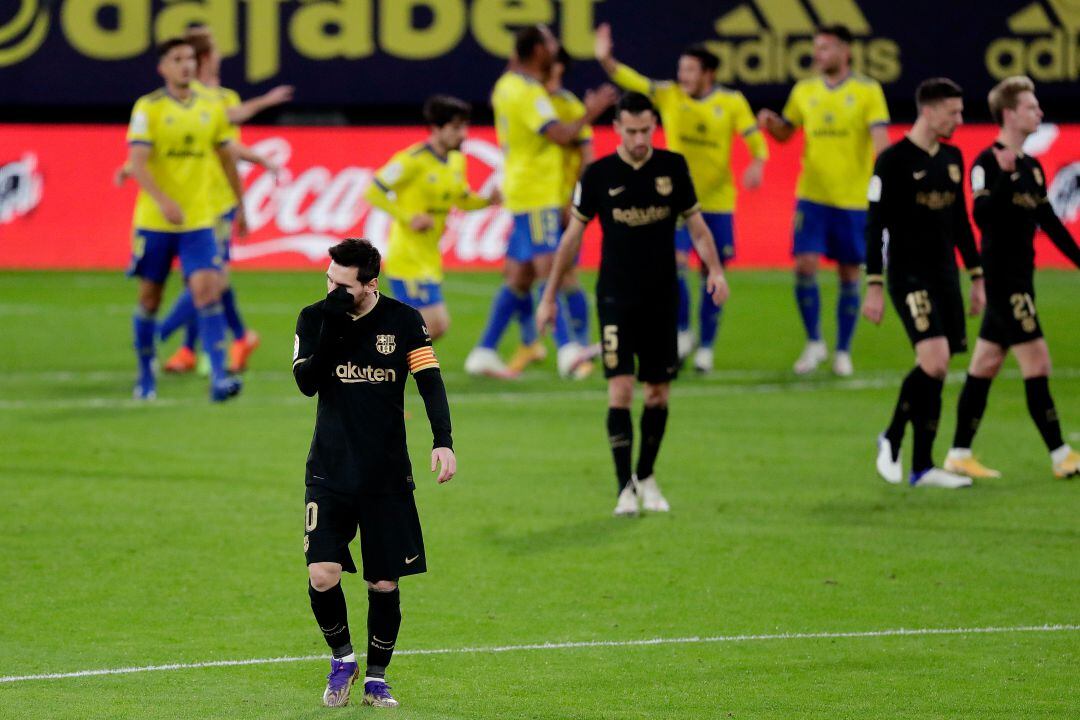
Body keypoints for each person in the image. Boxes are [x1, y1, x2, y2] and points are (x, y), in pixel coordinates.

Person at [536, 93, 728, 515]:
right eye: (632, 130)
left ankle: (647, 474)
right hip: (616, 298)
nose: (640, 139)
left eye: (646, 130)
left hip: (663, 298)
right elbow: (571, 238)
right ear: (618, 128)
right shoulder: (599, 173)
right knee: (621, 389)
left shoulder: (673, 167)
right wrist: (548, 296)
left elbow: (697, 228)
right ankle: (624, 486)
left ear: (653, 127)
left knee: (657, 393)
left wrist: (714, 270)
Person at [292, 238, 456, 708]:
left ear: (371, 284)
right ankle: (342, 658)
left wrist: (443, 440)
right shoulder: (315, 317)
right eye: (329, 280)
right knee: (322, 574)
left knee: (383, 583)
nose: (333, 290)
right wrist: (335, 324)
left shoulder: (404, 321)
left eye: (344, 285)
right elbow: (307, 383)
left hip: (386, 476)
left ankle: (377, 678)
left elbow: (430, 382)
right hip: (329, 471)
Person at [595, 23, 767, 373]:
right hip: (671, 201)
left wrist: (759, 161)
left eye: (690, 70)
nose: (682, 76)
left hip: (716, 202)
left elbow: (754, 137)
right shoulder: (670, 95)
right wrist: (607, 60)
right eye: (680, 69)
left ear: (709, 73)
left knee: (712, 275)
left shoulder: (731, 102)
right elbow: (634, 81)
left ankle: (706, 347)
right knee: (673, 265)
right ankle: (684, 331)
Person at [944, 76, 1080, 480]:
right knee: (1037, 360)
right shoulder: (986, 162)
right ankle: (1061, 455)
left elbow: (1050, 222)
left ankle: (957, 454)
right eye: (1031, 107)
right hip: (1004, 279)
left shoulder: (1032, 167)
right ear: (1009, 114)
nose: (1039, 112)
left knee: (985, 363)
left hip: (1023, 275)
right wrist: (1003, 179)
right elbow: (981, 216)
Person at [463, 24, 616, 378]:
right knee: (555, 270)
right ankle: (568, 349)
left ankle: (484, 351)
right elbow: (560, 133)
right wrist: (593, 110)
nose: (555, 47)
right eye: (549, 42)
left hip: (525, 189)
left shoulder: (508, 84)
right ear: (536, 51)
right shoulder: (530, 92)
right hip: (537, 193)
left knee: (519, 276)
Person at [861, 78, 985, 489]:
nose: (960, 120)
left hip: (945, 275)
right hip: (907, 275)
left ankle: (922, 466)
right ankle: (892, 436)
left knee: (938, 367)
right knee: (933, 361)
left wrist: (976, 276)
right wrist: (874, 284)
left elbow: (961, 222)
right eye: (954, 112)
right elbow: (874, 225)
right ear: (929, 112)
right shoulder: (892, 161)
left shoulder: (952, 157)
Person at [152, 26, 287, 375]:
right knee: (202, 281)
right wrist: (265, 107)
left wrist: (241, 204)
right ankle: (229, 339)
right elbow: (226, 126)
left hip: (218, 203)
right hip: (196, 202)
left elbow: (228, 150)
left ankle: (168, 338)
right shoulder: (192, 101)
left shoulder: (221, 97)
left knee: (211, 279)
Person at [758, 24, 890, 377]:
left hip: (853, 199)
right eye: (816, 48)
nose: (819, 54)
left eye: (826, 48)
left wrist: (887, 176)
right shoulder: (805, 90)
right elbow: (787, 132)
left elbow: (880, 138)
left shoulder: (867, 90)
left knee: (849, 272)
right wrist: (773, 125)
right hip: (812, 195)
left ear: (845, 52)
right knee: (804, 264)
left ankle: (843, 351)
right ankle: (814, 341)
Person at [125, 38, 242, 402]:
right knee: (150, 299)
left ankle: (219, 378)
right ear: (163, 68)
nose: (186, 65)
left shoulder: (211, 106)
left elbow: (227, 158)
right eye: (177, 59)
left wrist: (240, 206)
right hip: (156, 222)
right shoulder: (149, 108)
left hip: (198, 221)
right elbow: (138, 164)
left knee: (207, 291)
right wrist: (163, 201)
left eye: (190, 58)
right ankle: (146, 373)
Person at [364, 95, 499, 341]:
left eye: (465, 127)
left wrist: (488, 200)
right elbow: (373, 191)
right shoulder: (412, 161)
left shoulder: (457, 161)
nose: (464, 134)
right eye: (457, 127)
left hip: (429, 257)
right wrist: (407, 217)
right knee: (433, 325)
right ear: (437, 128)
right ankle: (370, 354)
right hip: (408, 258)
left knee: (423, 329)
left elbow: (462, 198)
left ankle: (376, 360)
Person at [546, 47, 598, 378]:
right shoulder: (530, 98)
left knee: (563, 274)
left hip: (563, 203)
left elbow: (588, 156)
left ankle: (578, 346)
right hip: (537, 201)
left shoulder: (568, 106)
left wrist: (575, 200)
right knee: (525, 273)